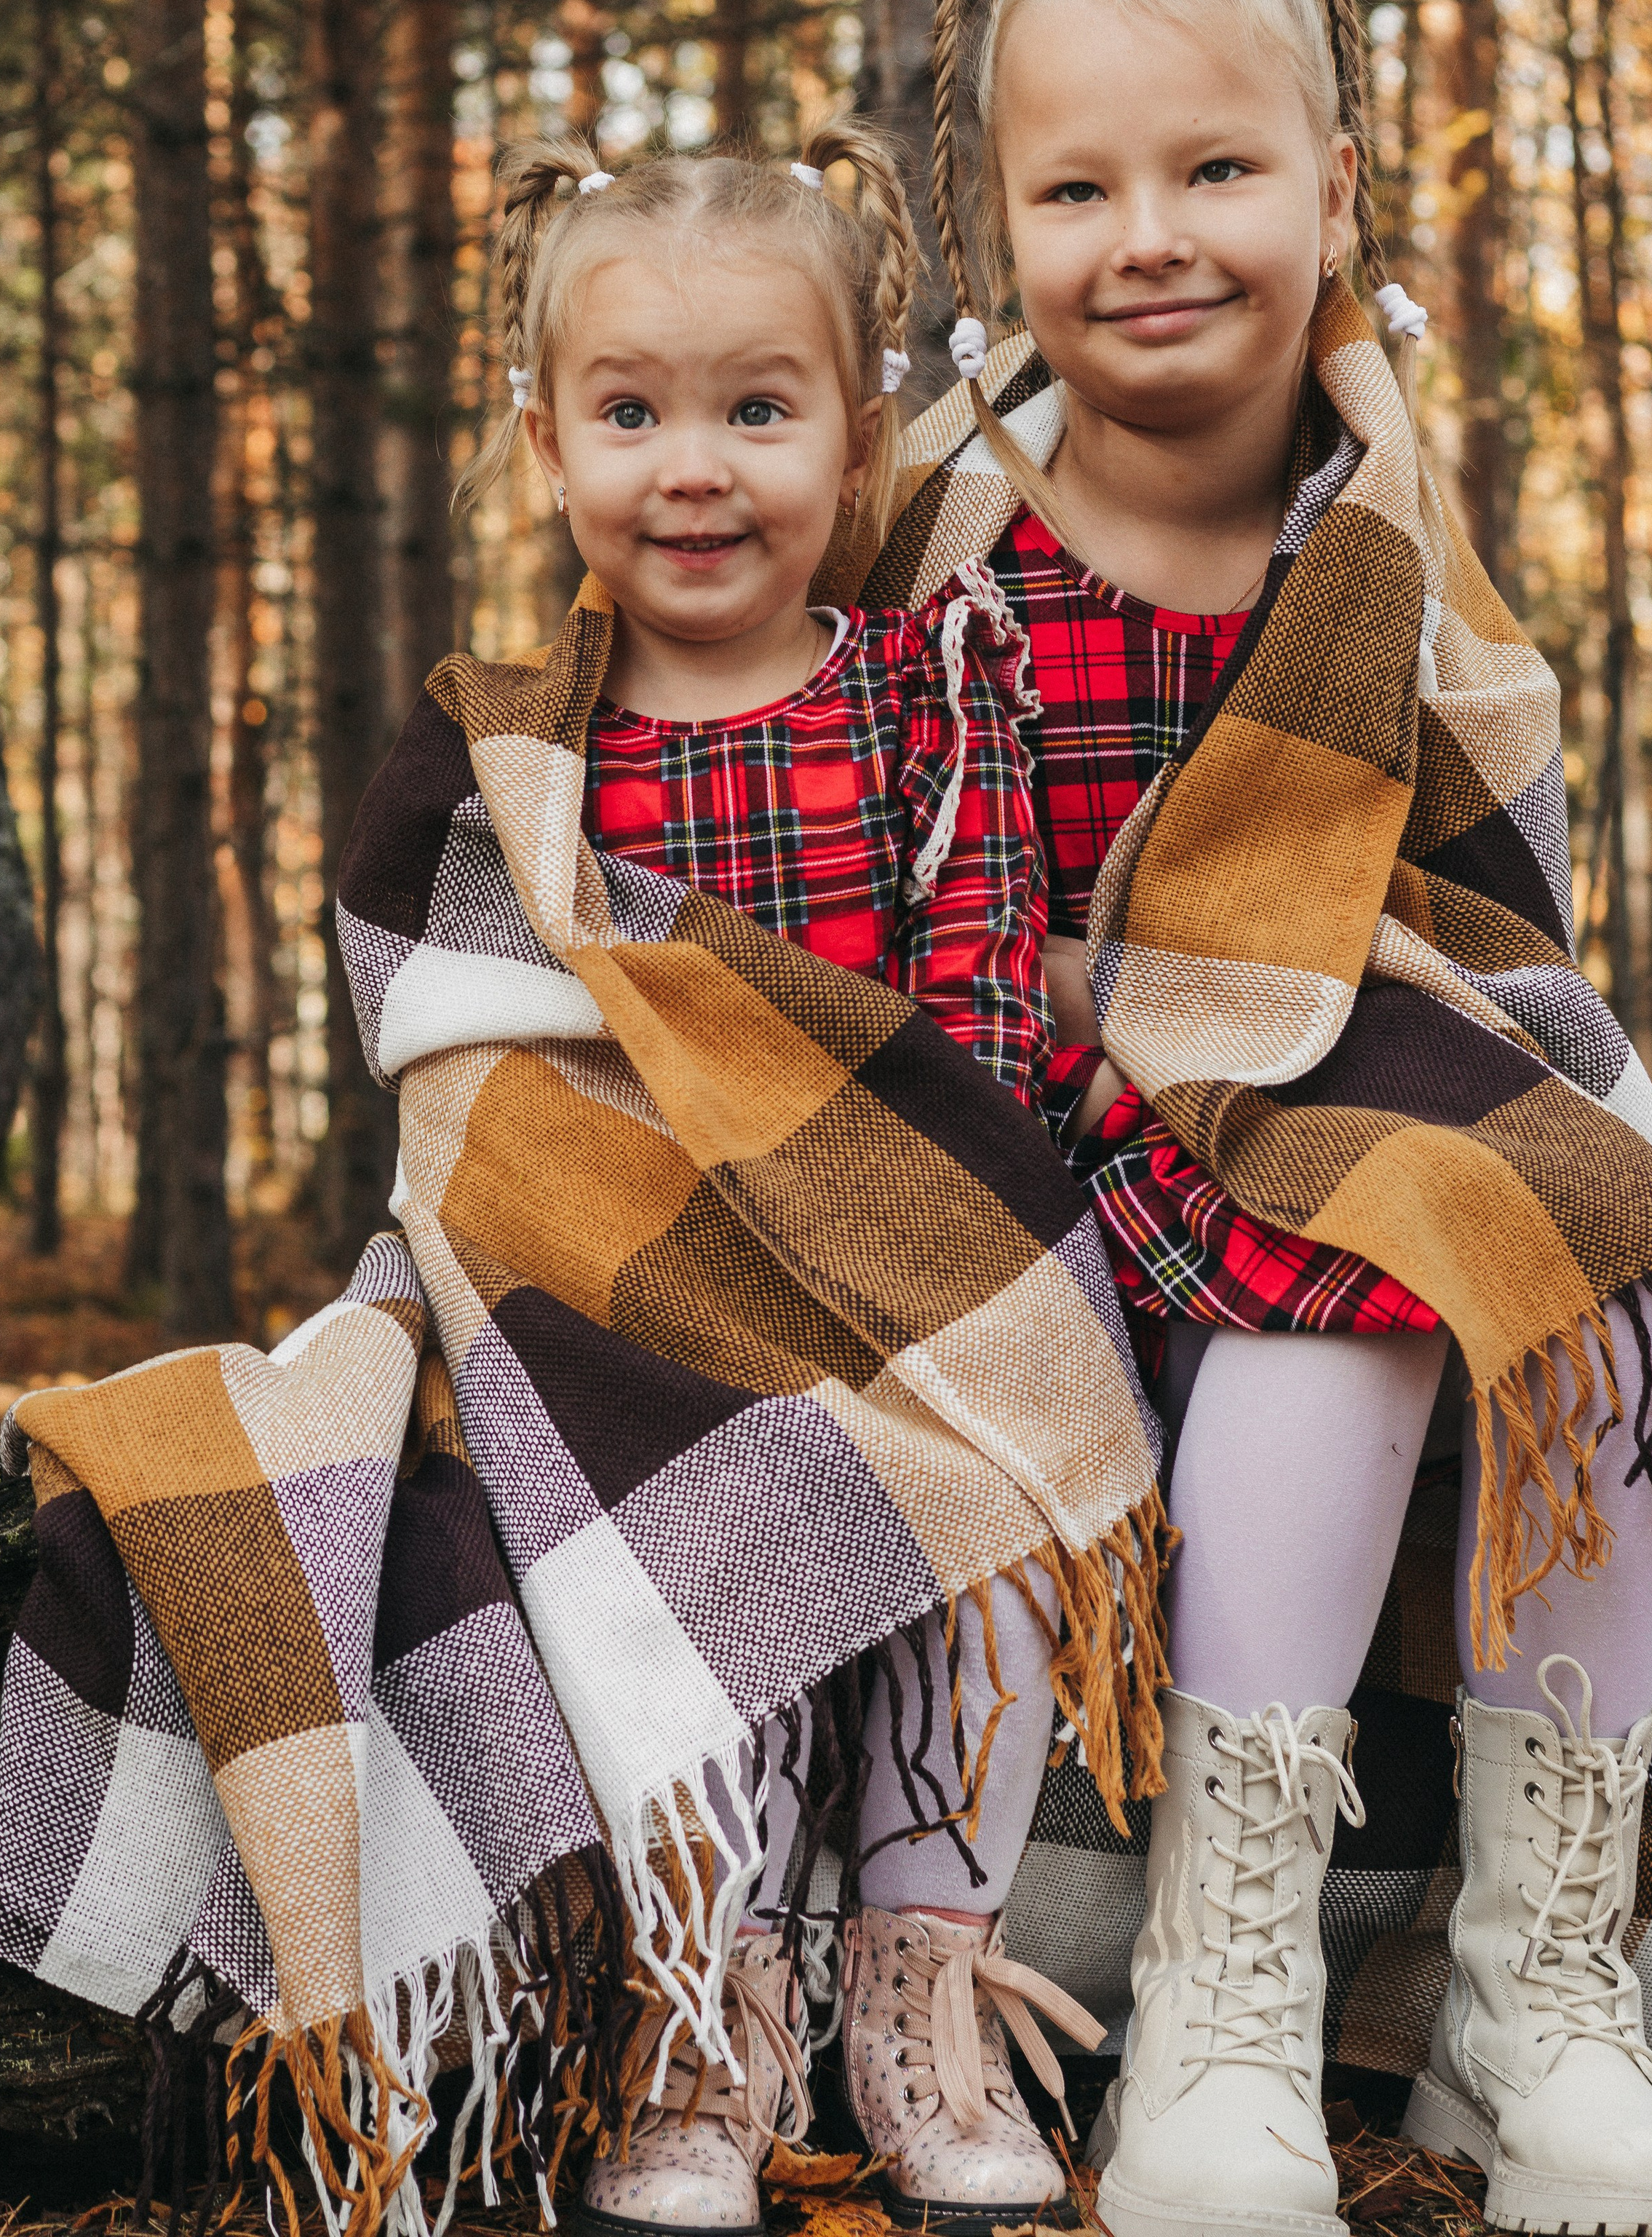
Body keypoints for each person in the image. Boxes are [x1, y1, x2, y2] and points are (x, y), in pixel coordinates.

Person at [827, 0, 1652, 2237]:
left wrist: (1539, 1100)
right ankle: (1221, 2012)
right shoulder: (948, 532)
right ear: (993, 227)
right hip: (1059, 1155)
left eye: (1217, 168)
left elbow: (1493, 907)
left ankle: (1532, 2001)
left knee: (1596, 1261)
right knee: (1318, 1321)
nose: (1152, 232)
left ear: (1335, 189)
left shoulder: (1383, 520)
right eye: (1079, 186)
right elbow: (868, 899)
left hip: (1345, 1084)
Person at [464, 125, 1133, 2237]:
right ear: (547, 443)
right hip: (650, 1284)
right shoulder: (528, 753)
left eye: (759, 411)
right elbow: (485, 1067)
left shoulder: (926, 690)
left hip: (919, 1255)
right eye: (632, 411)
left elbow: (987, 999)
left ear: (857, 443)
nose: (695, 466)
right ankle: (705, 2016)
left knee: (1004, 1515)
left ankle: (915, 1991)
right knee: (682, 1577)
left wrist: (909, 1253)